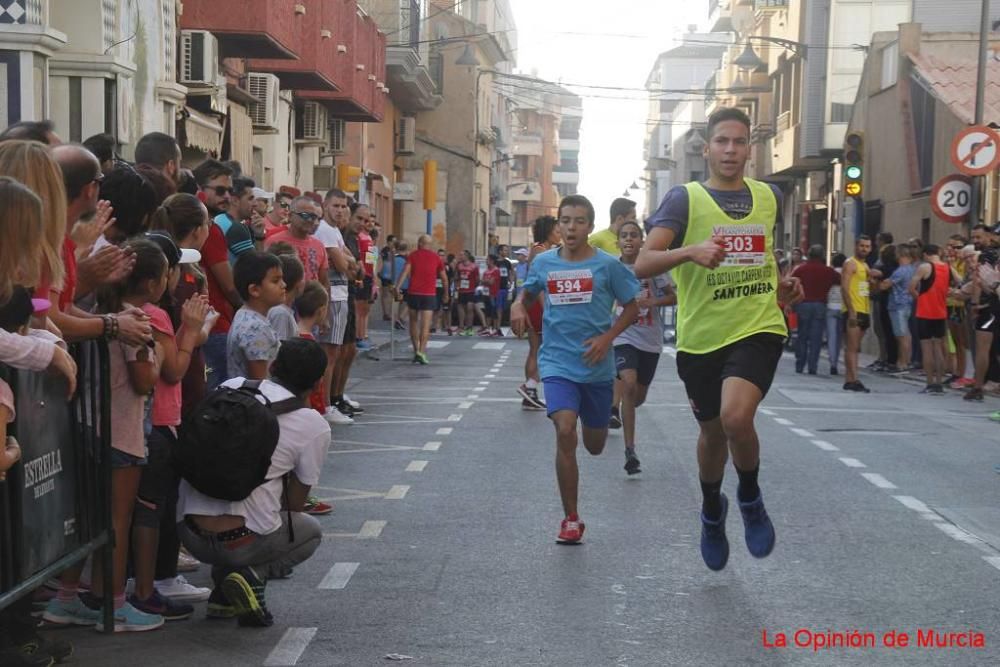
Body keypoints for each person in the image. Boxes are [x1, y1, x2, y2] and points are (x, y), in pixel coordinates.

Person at [636, 106, 804, 571]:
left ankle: (749, 497)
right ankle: (713, 510)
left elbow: (765, 260)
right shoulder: (683, 200)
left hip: (758, 326)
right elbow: (643, 264)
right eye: (721, 142)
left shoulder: (769, 196)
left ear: (751, 147)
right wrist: (690, 250)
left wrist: (784, 286)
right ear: (706, 148)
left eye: (739, 141)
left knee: (735, 417)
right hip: (700, 339)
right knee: (712, 434)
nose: (731, 150)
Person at [511, 194, 640, 544]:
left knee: (595, 445)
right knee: (565, 430)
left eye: (579, 221)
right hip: (557, 363)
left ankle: (593, 424)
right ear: (558, 225)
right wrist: (518, 306)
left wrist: (607, 338)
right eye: (565, 220)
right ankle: (571, 518)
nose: (571, 227)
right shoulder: (544, 263)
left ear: (590, 226)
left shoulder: (608, 265)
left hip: (597, 369)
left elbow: (632, 306)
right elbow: (526, 293)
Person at [176, 338, 330, 628]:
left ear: (273, 367)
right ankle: (252, 576)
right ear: (319, 383)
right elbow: (295, 504)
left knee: (238, 499)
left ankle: (222, 596)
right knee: (310, 530)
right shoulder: (313, 424)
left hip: (188, 533)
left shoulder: (233, 387)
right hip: (242, 543)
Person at [127, 232, 209, 621]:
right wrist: (191, 330)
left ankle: (145, 582)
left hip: (147, 423)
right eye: (176, 269)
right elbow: (173, 371)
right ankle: (153, 583)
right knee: (153, 509)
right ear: (159, 279)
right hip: (158, 423)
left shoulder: (132, 309)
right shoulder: (154, 313)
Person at [93, 238, 169, 631]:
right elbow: (144, 380)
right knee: (118, 520)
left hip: (92, 423)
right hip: (122, 428)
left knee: (92, 517)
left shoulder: (100, 310)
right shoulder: (136, 320)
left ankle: (82, 596)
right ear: (155, 282)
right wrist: (156, 360)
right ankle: (116, 604)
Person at [613, 221, 674, 475]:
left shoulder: (651, 267)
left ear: (642, 241)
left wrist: (653, 300)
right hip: (623, 336)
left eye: (634, 235)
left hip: (650, 339)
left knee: (638, 397)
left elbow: (674, 296)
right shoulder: (611, 269)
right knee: (628, 384)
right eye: (624, 236)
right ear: (618, 241)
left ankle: (622, 406)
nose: (629, 239)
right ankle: (630, 451)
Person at [192, 160, 242, 390]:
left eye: (230, 191)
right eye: (220, 190)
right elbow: (228, 285)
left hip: (203, 322)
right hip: (214, 324)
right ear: (201, 190)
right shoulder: (209, 229)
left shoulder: (208, 226)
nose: (227, 196)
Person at [313, 189, 357, 424]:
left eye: (343, 206)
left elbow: (353, 265)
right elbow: (344, 267)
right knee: (329, 353)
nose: (340, 210)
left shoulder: (335, 232)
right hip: (333, 296)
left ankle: (327, 401)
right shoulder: (325, 231)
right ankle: (325, 405)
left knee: (334, 352)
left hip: (340, 295)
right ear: (325, 205)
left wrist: (349, 261)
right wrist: (347, 261)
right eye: (335, 206)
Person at [518, 216, 561, 411]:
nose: (560, 232)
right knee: (547, 350)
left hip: (535, 304)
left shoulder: (540, 249)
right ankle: (530, 386)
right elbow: (539, 285)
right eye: (557, 229)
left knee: (536, 349)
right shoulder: (540, 251)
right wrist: (547, 310)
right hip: (538, 304)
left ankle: (530, 392)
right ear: (547, 231)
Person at [227, 251, 284, 380]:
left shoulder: (246, 314)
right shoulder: (256, 328)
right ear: (254, 290)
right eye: (275, 281)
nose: (283, 285)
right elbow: (260, 382)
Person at [395, 235, 449, 364]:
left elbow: (405, 271)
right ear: (429, 245)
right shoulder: (436, 258)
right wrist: (446, 294)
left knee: (413, 322)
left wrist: (397, 287)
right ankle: (422, 351)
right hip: (429, 295)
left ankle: (415, 351)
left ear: (419, 243)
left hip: (413, 293)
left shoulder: (412, 256)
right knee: (425, 325)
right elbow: (444, 278)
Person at [790, 245, 840, 375]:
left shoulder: (801, 269)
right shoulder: (828, 271)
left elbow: (791, 283)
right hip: (820, 305)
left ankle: (799, 365)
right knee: (816, 338)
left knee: (802, 336)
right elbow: (840, 280)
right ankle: (813, 367)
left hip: (803, 304)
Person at [909, 244, 951, 394]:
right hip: (941, 312)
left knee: (926, 349)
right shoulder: (947, 267)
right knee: (938, 348)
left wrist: (919, 299)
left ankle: (929, 383)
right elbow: (959, 281)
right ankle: (939, 383)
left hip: (925, 312)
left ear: (926, 254)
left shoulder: (925, 267)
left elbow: (911, 287)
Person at [965, 225, 1000, 401]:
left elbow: (980, 281)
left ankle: (979, 385)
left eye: (979, 237)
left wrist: (974, 304)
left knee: (982, 348)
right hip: (992, 305)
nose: (976, 241)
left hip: (990, 307)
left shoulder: (989, 254)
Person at [264, 196, 329, 285]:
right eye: (306, 215)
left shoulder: (319, 245)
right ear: (290, 216)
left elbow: (324, 282)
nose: (313, 221)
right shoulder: (274, 241)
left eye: (317, 218)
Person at [842, 235, 876, 392]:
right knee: (852, 347)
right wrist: (851, 311)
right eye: (862, 246)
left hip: (864, 309)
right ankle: (854, 380)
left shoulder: (866, 266)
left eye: (867, 246)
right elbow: (845, 288)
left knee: (855, 347)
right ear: (856, 246)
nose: (864, 249)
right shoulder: (850, 264)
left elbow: (866, 288)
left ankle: (850, 380)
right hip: (854, 310)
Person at [880, 244, 916, 376]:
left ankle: (902, 363)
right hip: (907, 304)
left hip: (897, 305)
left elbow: (885, 285)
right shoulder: (913, 269)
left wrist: (880, 282)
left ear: (900, 255)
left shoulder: (900, 271)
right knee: (906, 335)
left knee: (901, 336)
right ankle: (906, 361)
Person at [945, 234, 972, 386]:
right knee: (955, 341)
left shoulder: (964, 264)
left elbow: (962, 282)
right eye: (950, 246)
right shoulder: (951, 262)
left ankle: (963, 373)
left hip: (961, 306)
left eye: (957, 247)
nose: (952, 250)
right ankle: (957, 372)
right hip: (950, 304)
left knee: (963, 342)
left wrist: (951, 267)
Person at [268, 253, 305, 341]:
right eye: (303, 278)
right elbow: (281, 349)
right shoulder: (281, 313)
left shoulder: (284, 311)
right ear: (298, 284)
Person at [826, 253, 847, 375]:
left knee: (832, 337)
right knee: (840, 338)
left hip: (831, 306)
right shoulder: (847, 273)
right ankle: (838, 360)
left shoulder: (830, 273)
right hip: (843, 307)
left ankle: (833, 363)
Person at [456, 251, 483, 335]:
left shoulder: (474, 266)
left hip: (470, 290)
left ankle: (469, 328)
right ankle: (461, 327)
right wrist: (457, 284)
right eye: (460, 255)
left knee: (469, 308)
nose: (460, 256)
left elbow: (477, 279)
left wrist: (474, 286)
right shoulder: (459, 265)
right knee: (460, 308)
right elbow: (456, 276)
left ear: (467, 256)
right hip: (461, 290)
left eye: (462, 255)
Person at [496, 245, 514, 330]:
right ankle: (497, 326)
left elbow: (511, 273)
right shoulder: (495, 262)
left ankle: (498, 325)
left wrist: (510, 282)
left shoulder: (507, 262)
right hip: (496, 288)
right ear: (500, 251)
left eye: (507, 250)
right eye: (505, 250)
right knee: (497, 307)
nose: (506, 252)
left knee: (502, 308)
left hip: (504, 288)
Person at [482, 254, 502, 335]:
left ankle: (495, 328)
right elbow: (482, 281)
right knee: (487, 311)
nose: (486, 261)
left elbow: (491, 282)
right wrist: (486, 280)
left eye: (487, 259)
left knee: (494, 311)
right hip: (486, 293)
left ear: (492, 261)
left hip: (493, 294)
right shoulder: (486, 271)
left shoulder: (496, 270)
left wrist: (486, 280)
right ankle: (487, 327)